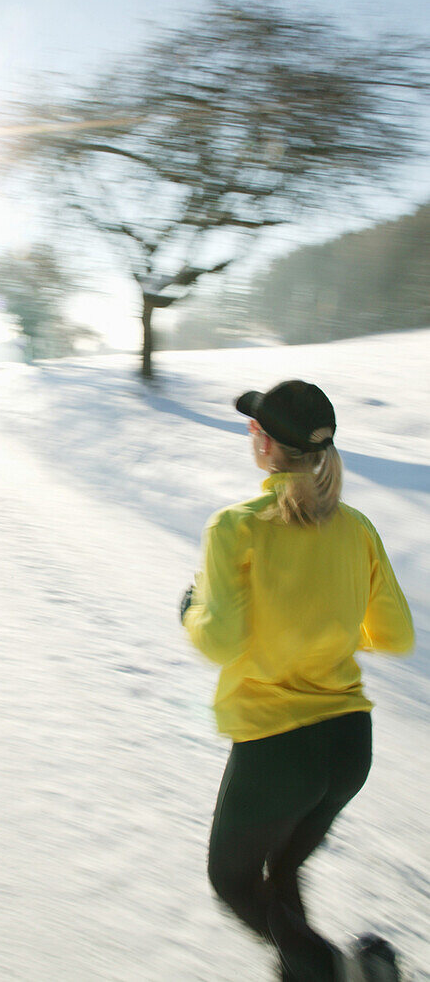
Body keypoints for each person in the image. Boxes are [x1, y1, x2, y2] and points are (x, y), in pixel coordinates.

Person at [180, 380, 415, 982]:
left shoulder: (237, 527)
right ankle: (316, 970)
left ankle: (335, 972)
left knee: (233, 881)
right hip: (348, 747)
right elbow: (393, 634)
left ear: (261, 441)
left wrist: (192, 607)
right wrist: (328, 629)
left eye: (253, 426)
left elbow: (220, 640)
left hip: (277, 751)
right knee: (282, 874)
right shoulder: (357, 527)